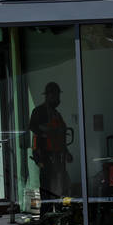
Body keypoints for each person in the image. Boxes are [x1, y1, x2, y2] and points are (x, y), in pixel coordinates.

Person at [27, 81, 72, 212]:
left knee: (62, 188)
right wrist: (39, 159)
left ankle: (59, 213)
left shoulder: (56, 114)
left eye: (58, 96)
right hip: (46, 158)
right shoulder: (39, 112)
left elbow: (60, 137)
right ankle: (46, 217)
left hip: (58, 158)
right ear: (48, 96)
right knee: (47, 191)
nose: (58, 99)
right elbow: (33, 128)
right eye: (55, 96)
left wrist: (67, 152)